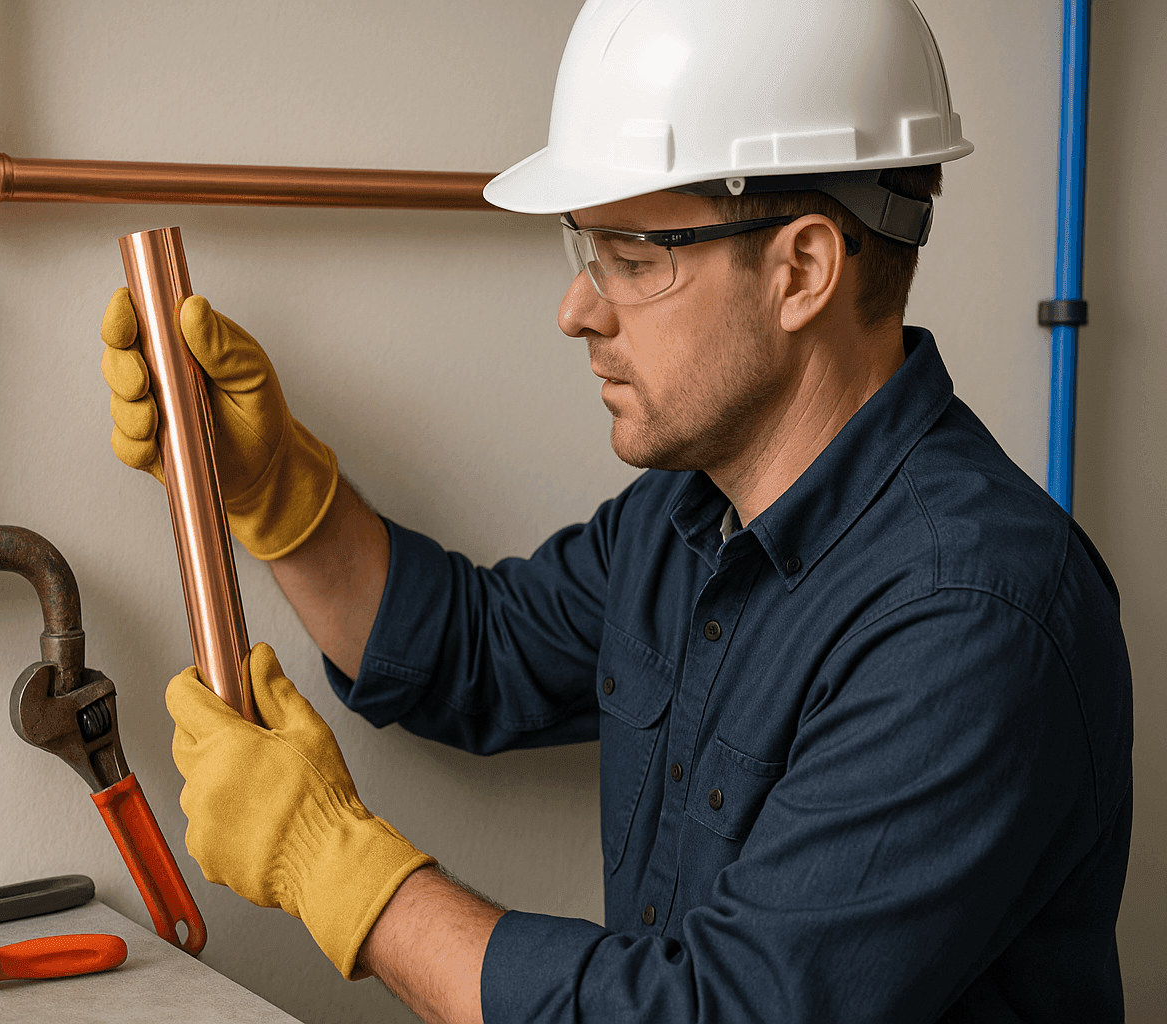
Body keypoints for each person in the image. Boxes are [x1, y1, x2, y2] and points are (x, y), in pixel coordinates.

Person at [98, 1, 1133, 1020]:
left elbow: (718, 1011)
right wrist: (279, 491)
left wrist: (337, 865)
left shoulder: (974, 620)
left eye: (634, 260)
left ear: (802, 268)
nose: (577, 309)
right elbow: (475, 651)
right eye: (586, 252)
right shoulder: (684, 519)